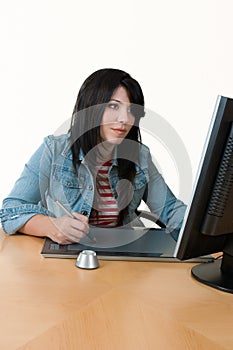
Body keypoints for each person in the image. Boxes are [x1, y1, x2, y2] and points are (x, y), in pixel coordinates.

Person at [0, 68, 186, 245]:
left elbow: (170, 211)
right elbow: (10, 211)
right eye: (113, 106)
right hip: (66, 259)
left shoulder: (140, 156)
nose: (124, 119)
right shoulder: (54, 149)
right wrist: (52, 226)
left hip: (125, 259)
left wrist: (207, 227)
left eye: (131, 110)